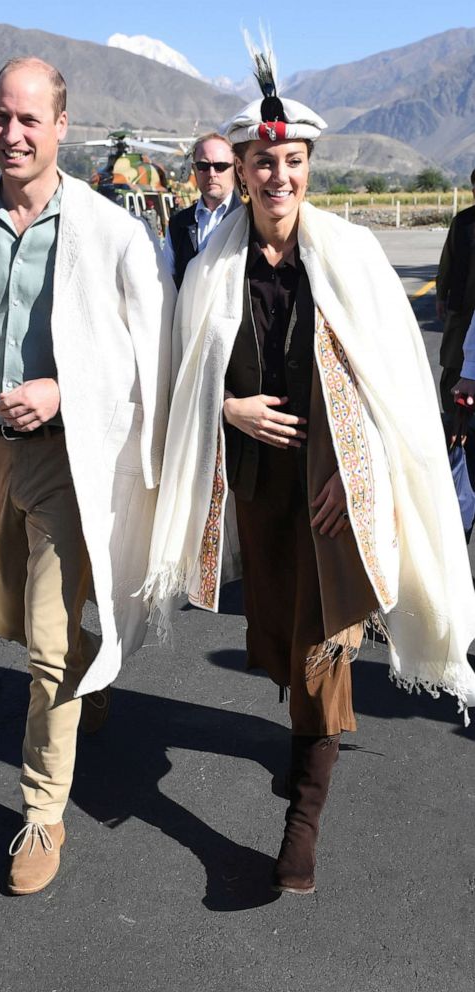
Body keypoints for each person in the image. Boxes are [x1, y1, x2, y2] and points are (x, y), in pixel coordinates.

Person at [144, 46, 475, 896]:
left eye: (292, 162)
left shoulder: (354, 258)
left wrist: (359, 475)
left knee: (324, 645)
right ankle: (303, 751)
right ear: (242, 170)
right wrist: (229, 410)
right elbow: (183, 376)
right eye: (263, 162)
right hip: (258, 493)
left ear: (307, 170)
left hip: (335, 494)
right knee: (285, 646)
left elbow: (390, 385)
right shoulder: (212, 270)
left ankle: (303, 821)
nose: (277, 176)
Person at [0, 56, 175, 895]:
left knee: (44, 645)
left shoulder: (112, 232)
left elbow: (145, 357)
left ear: (60, 127)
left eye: (28, 120)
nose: (10, 134)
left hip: (64, 459)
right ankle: (85, 659)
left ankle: (42, 813)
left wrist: (66, 389)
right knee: (10, 614)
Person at [163, 132, 239, 288]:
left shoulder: (249, 219)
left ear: (236, 168)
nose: (212, 174)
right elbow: (168, 281)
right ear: (194, 169)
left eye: (220, 166)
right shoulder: (178, 224)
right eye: (203, 166)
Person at [436, 168, 475, 411]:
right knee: (452, 367)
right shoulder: (463, 222)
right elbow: (447, 261)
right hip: (461, 311)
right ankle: (453, 428)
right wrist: (441, 296)